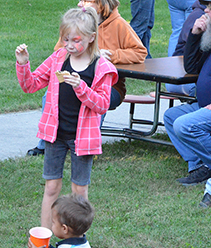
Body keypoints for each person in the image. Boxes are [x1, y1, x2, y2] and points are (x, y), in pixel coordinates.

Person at [15, 7, 118, 228]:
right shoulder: (58, 59)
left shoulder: (101, 68)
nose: (69, 45)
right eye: (65, 39)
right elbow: (30, 85)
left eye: (75, 40)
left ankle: (77, 241)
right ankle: (42, 239)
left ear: (91, 38)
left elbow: (102, 105)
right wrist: (23, 64)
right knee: (51, 187)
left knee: (79, 191)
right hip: (55, 135)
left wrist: (81, 87)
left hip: (83, 138)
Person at [26, 0, 146, 156]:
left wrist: (111, 55)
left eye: (87, 0)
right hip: (72, 80)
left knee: (97, 100)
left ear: (102, 4)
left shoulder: (119, 25)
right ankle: (47, 143)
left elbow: (140, 52)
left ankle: (87, 146)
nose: (80, 3)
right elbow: (59, 50)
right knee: (49, 96)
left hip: (108, 86)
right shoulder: (77, 23)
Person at [163, 0, 211, 188]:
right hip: (205, 106)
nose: (206, 10)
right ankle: (201, 165)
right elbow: (191, 67)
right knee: (171, 116)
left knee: (184, 125)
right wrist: (195, 35)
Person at [165, 0, 205, 97]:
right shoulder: (202, 15)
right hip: (187, 75)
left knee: (177, 31)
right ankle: (172, 75)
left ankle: (170, 73)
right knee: (193, 32)